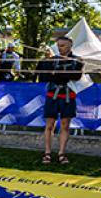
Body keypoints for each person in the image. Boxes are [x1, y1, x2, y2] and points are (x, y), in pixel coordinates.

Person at [35, 36, 84, 164]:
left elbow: (76, 76)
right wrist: (49, 67)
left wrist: (55, 73)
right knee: (49, 125)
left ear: (70, 46)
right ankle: (47, 153)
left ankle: (62, 153)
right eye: (58, 45)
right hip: (52, 94)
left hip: (68, 95)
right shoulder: (52, 59)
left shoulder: (77, 60)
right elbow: (43, 76)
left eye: (62, 45)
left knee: (65, 125)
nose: (59, 48)